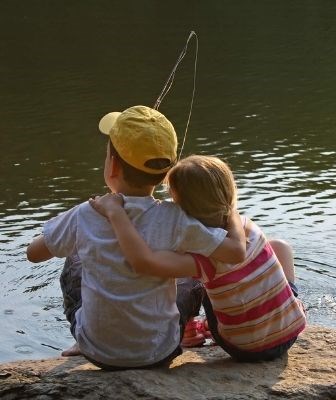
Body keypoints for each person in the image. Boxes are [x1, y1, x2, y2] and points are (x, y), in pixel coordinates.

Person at [26, 106, 246, 370]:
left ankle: (82, 339)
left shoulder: (84, 214)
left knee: (73, 259)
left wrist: (78, 231)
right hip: (160, 351)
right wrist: (232, 212)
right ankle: (187, 331)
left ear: (113, 166)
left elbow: (34, 254)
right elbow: (234, 253)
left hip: (99, 352)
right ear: (166, 171)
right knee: (195, 273)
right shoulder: (176, 218)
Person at [90, 155, 307, 362]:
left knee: (192, 281)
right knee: (280, 247)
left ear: (181, 208)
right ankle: (289, 307)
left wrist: (116, 214)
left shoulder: (202, 258)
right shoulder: (247, 226)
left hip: (244, 349)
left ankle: (192, 328)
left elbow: (144, 262)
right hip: (289, 334)